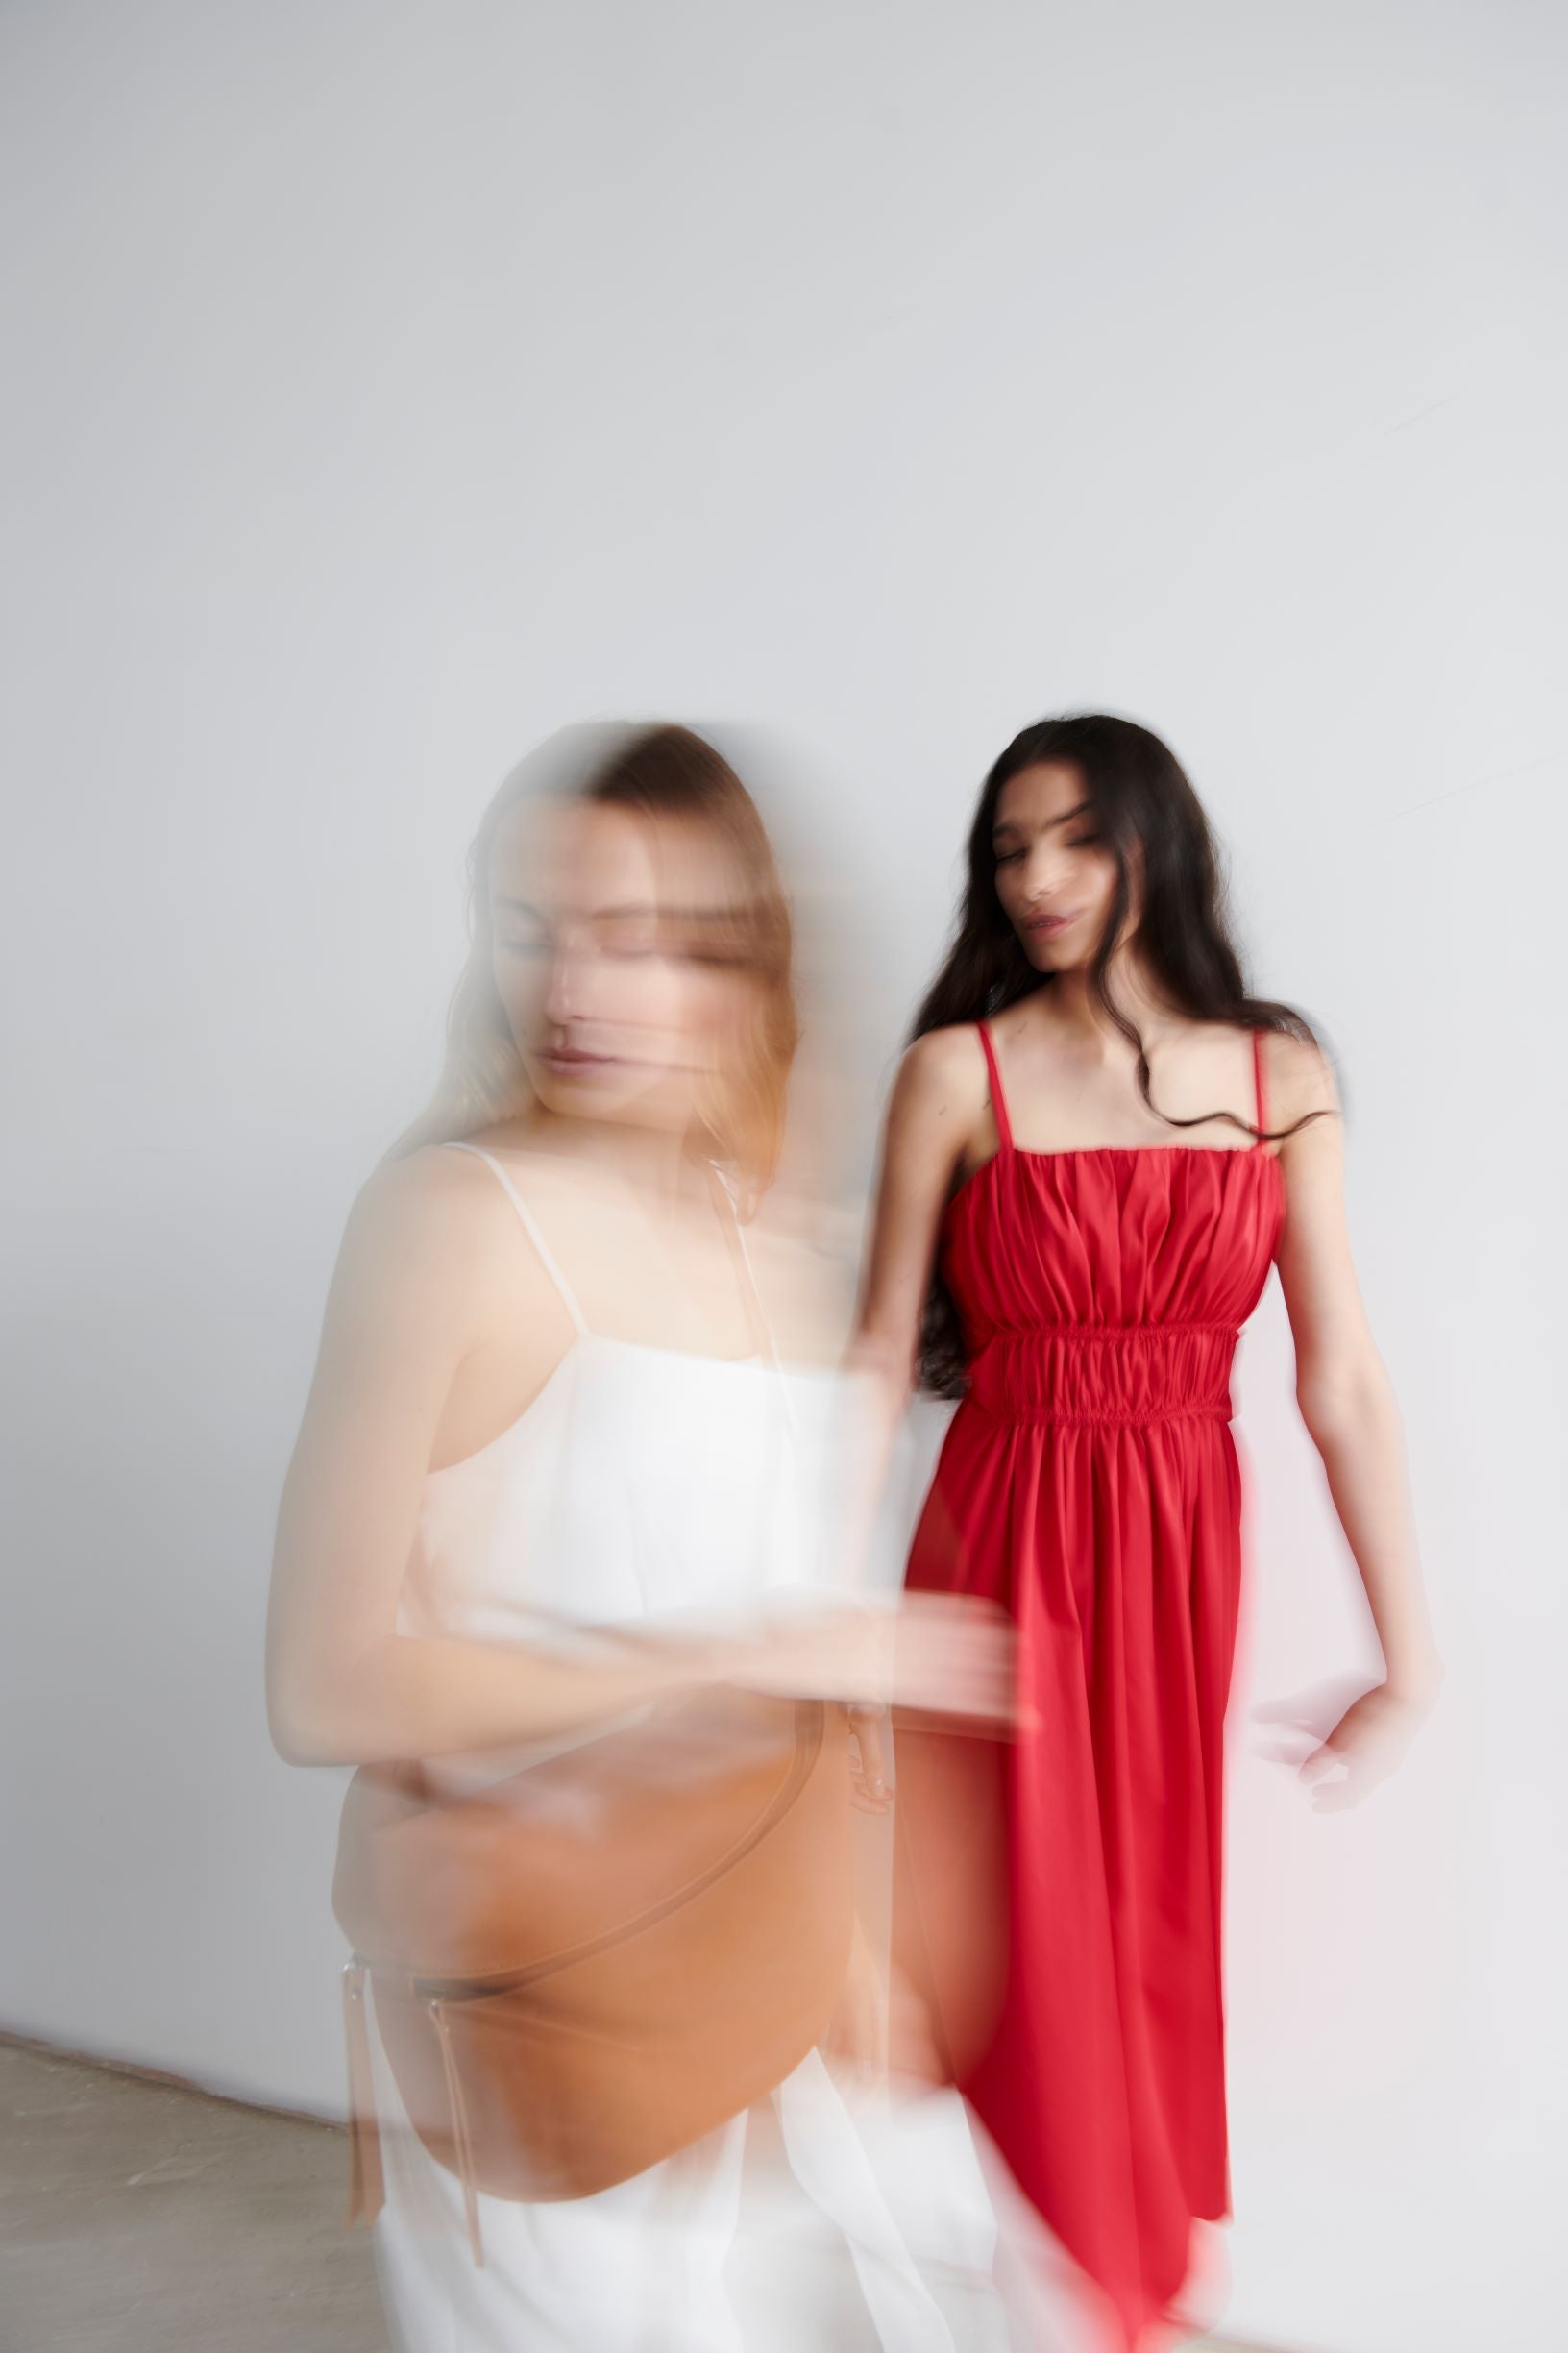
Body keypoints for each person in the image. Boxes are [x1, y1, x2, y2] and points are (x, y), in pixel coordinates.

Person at [266, 722, 1010, 2353]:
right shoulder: (454, 1221)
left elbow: (808, 1657)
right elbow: (322, 1687)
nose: (575, 988)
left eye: (646, 938)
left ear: (748, 970)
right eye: (535, 928)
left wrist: (861, 1961)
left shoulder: (775, 1236)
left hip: (774, 1998)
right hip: (557, 2014)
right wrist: (724, 1659)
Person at [853, 714, 1441, 2349]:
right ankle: (1087, 2294)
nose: (1036, 879)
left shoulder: (1279, 1077)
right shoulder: (954, 1073)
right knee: (1019, 1938)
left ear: (1152, 843)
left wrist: (1410, 1657)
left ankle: (1107, 2289)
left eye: (1075, 838)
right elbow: (872, 1359)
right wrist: (820, 1623)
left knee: (1139, 1927)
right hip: (999, 1538)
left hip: (1182, 1547)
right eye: (1007, 850)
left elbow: (1341, 1378)